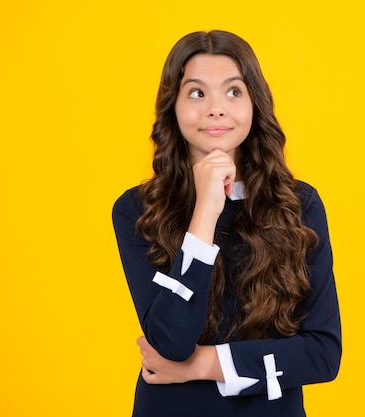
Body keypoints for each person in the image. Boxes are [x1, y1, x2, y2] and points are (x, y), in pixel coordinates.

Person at [112, 30, 342, 417]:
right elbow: (170, 342)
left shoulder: (299, 205)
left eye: (233, 92)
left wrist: (202, 365)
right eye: (197, 93)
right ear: (173, 107)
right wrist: (205, 211)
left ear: (255, 103)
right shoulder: (137, 210)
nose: (216, 109)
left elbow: (322, 354)